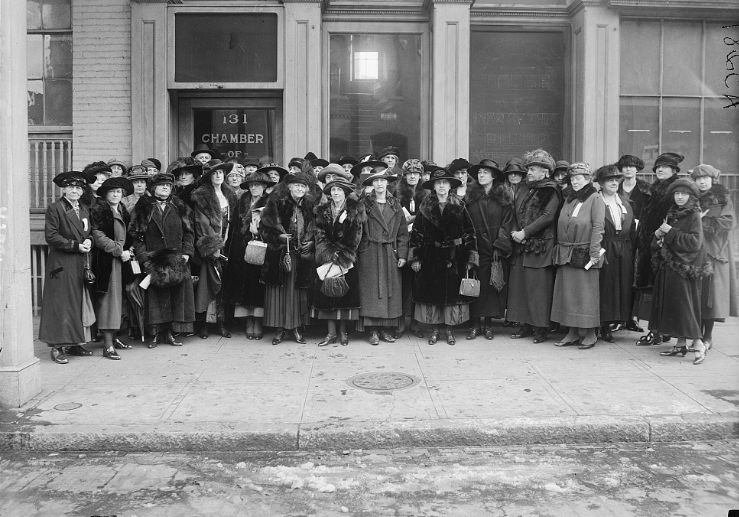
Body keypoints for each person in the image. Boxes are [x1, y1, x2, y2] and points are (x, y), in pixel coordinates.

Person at [410, 168, 478, 345]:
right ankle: (435, 330)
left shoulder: (460, 206)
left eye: (444, 183)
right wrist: (415, 258)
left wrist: (471, 257)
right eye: (438, 183)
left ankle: (449, 330)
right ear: (433, 186)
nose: (441, 186)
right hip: (431, 256)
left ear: (450, 186)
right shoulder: (425, 207)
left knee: (452, 296)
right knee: (434, 295)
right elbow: (416, 233)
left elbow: (470, 232)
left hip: (456, 257)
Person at [129, 172, 196, 348]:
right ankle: (155, 334)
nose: (165, 188)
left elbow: (189, 232)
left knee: (174, 296)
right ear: (153, 188)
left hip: (176, 259)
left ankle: (170, 333)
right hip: (155, 259)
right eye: (161, 185)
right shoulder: (143, 206)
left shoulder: (180, 205)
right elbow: (136, 235)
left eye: (168, 185)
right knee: (155, 298)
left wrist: (187, 253)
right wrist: (144, 258)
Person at [650, 178, 710, 364]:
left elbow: (694, 243)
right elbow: (666, 236)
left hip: (685, 268)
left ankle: (698, 344)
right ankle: (680, 344)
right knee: (675, 307)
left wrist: (670, 232)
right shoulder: (673, 212)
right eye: (677, 194)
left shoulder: (693, 215)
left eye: (684, 194)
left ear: (691, 196)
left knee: (685, 308)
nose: (680, 197)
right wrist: (659, 234)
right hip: (671, 265)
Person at [39, 171, 97, 364]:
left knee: (76, 302)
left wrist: (88, 241)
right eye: (71, 187)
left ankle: (74, 343)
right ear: (63, 189)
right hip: (62, 263)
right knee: (60, 305)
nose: (75, 190)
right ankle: (57, 347)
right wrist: (75, 245)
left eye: (78, 187)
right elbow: (52, 236)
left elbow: (89, 231)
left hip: (80, 261)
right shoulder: (55, 208)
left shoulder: (84, 208)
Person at [507, 149, 562, 343]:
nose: (529, 172)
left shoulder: (551, 189)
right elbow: (516, 213)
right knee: (521, 287)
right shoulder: (524, 189)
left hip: (540, 247)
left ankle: (540, 329)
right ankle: (524, 325)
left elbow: (548, 216)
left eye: (533, 169)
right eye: (529, 168)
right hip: (522, 245)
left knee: (538, 289)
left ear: (545, 172)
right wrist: (516, 233)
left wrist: (525, 232)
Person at [550, 162, 605, 349]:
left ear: (588, 179)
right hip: (566, 252)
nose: (574, 181)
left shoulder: (595, 198)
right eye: (572, 178)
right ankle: (572, 331)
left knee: (585, 295)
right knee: (568, 294)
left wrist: (594, 252)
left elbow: (598, 226)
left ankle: (589, 333)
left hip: (584, 252)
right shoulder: (569, 198)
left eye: (578, 178)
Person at [260, 172, 316, 345]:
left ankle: (297, 328)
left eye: (302, 186)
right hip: (280, 254)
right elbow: (264, 228)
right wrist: (278, 237)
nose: (299, 189)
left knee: (298, 292)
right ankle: (280, 329)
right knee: (281, 292)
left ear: (306, 189)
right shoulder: (277, 203)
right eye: (296, 185)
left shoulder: (310, 206)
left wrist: (312, 242)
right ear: (289, 187)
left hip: (301, 256)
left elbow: (319, 228)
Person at [634, 152, 683, 346]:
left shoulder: (676, 189)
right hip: (650, 245)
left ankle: (658, 331)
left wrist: (662, 239)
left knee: (662, 290)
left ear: (674, 170)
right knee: (652, 290)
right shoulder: (654, 188)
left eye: (664, 167)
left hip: (665, 246)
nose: (660, 170)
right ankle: (658, 331)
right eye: (657, 167)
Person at [357, 165, 409, 345]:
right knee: (371, 292)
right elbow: (358, 230)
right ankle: (372, 330)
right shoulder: (364, 204)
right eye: (375, 181)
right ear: (371, 184)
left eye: (382, 180)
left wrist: (402, 254)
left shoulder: (395, 204)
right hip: (370, 253)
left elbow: (403, 232)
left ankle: (387, 329)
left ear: (388, 183)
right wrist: (362, 250)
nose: (379, 184)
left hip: (390, 252)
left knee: (390, 292)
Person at [312, 180, 365, 346]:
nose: (335, 193)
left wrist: (342, 253)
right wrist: (328, 252)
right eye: (333, 190)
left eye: (339, 190)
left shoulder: (354, 210)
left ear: (345, 193)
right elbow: (319, 234)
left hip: (345, 259)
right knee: (327, 294)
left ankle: (343, 332)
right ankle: (330, 333)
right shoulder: (322, 211)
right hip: (327, 258)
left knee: (343, 295)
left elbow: (356, 234)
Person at [465, 159, 514, 340]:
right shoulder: (471, 198)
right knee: (476, 286)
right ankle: (475, 324)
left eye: (486, 172)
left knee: (493, 287)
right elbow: (466, 223)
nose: (482, 175)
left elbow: (507, 223)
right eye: (480, 173)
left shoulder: (503, 198)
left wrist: (499, 245)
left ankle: (488, 325)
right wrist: (470, 248)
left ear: (493, 176)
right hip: (476, 249)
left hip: (494, 251)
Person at [223, 170, 275, 339]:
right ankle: (247, 321)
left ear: (265, 187)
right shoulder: (242, 201)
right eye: (251, 185)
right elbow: (234, 228)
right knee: (244, 285)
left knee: (258, 286)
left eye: (257, 185)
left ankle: (258, 321)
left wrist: (259, 231)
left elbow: (276, 227)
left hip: (261, 249)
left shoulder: (270, 203)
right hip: (242, 250)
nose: (254, 188)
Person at [691, 164, 738, 350]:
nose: (702, 182)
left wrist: (702, 221)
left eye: (706, 178)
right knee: (696, 295)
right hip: (694, 251)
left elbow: (728, 221)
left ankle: (707, 336)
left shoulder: (722, 198)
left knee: (710, 297)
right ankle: (696, 334)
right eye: (698, 178)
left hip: (714, 251)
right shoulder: (691, 197)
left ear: (713, 180)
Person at [190, 162, 238, 339]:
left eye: (221, 173)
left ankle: (221, 323)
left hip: (227, 245)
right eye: (214, 173)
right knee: (206, 284)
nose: (218, 175)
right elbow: (201, 223)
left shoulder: (230, 195)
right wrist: (213, 247)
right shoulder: (202, 196)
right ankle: (202, 325)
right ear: (209, 176)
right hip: (209, 246)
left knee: (223, 286)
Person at [90, 177, 135, 360]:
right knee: (109, 301)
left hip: (121, 261)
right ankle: (107, 345)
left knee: (119, 301)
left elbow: (129, 233)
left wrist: (129, 249)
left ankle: (115, 338)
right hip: (107, 261)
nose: (116, 195)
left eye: (119, 192)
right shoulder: (99, 210)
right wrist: (119, 250)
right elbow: (97, 235)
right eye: (112, 191)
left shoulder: (122, 209)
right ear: (105, 194)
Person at [595, 164, 635, 342]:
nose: (613, 183)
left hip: (624, 246)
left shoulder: (624, 202)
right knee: (607, 284)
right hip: (606, 244)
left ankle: (618, 320)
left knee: (622, 283)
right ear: (601, 183)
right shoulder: (597, 201)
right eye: (608, 180)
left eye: (615, 180)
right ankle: (604, 324)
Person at [396, 159, 428, 337]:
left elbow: (428, 218)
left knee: (418, 283)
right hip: (401, 242)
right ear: (405, 176)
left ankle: (416, 322)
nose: (413, 176)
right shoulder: (396, 193)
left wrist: (414, 219)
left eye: (416, 174)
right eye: (409, 174)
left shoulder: (426, 194)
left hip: (419, 243)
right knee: (401, 283)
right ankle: (400, 321)